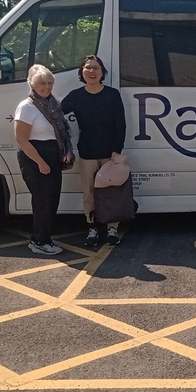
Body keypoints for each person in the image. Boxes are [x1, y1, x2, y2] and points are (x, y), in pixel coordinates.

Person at [60, 54, 127, 248]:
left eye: (95, 68)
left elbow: (120, 125)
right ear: (81, 72)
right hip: (87, 153)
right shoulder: (76, 96)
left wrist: (116, 150)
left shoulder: (112, 95)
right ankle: (92, 229)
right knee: (89, 194)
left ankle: (112, 229)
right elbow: (56, 113)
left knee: (112, 193)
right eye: (87, 68)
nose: (91, 71)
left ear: (102, 72)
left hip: (110, 154)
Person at [14, 64, 75, 255]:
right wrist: (40, 162)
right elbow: (22, 139)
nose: (46, 87)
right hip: (35, 156)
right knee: (42, 201)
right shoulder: (26, 107)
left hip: (52, 155)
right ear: (31, 83)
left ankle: (44, 238)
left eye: (49, 83)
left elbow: (60, 133)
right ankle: (40, 241)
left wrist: (66, 150)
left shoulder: (53, 104)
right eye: (41, 83)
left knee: (52, 200)